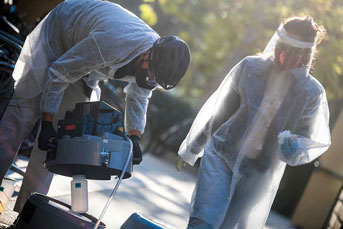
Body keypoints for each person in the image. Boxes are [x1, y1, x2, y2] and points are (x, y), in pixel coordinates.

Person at [0, 0, 190, 212]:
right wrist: (46, 123)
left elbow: (139, 97)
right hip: (60, 34)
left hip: (85, 61)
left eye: (157, 79)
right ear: (148, 55)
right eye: (152, 74)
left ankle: (27, 213)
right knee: (18, 119)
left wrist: (135, 136)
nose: (151, 80)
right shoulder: (115, 42)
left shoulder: (153, 65)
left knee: (57, 144)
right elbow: (58, 72)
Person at [175, 16, 330, 228]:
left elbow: (309, 138)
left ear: (306, 54)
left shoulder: (311, 93)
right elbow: (221, 112)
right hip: (221, 155)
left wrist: (294, 146)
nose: (285, 54)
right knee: (204, 219)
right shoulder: (250, 68)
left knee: (227, 226)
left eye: (294, 50)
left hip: (258, 172)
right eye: (283, 46)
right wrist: (193, 147)